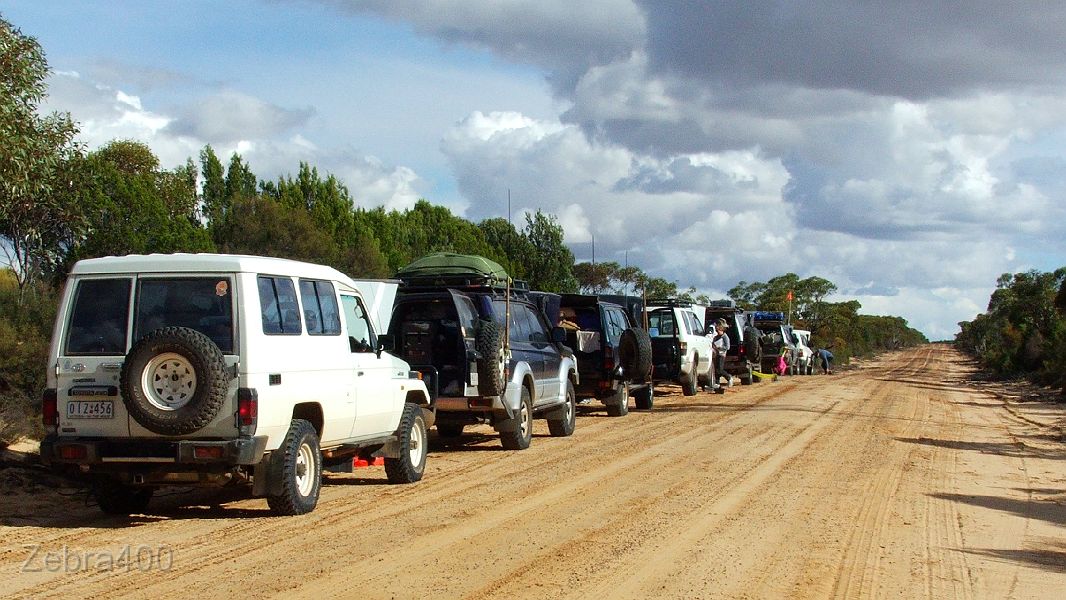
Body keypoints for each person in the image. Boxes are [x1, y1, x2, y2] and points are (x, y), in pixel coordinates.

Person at [710, 318, 732, 388]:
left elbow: (727, 347)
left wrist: (720, 348)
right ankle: (717, 383)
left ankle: (729, 377)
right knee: (716, 370)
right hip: (716, 355)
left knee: (720, 370)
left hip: (722, 355)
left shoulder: (725, 337)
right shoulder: (716, 337)